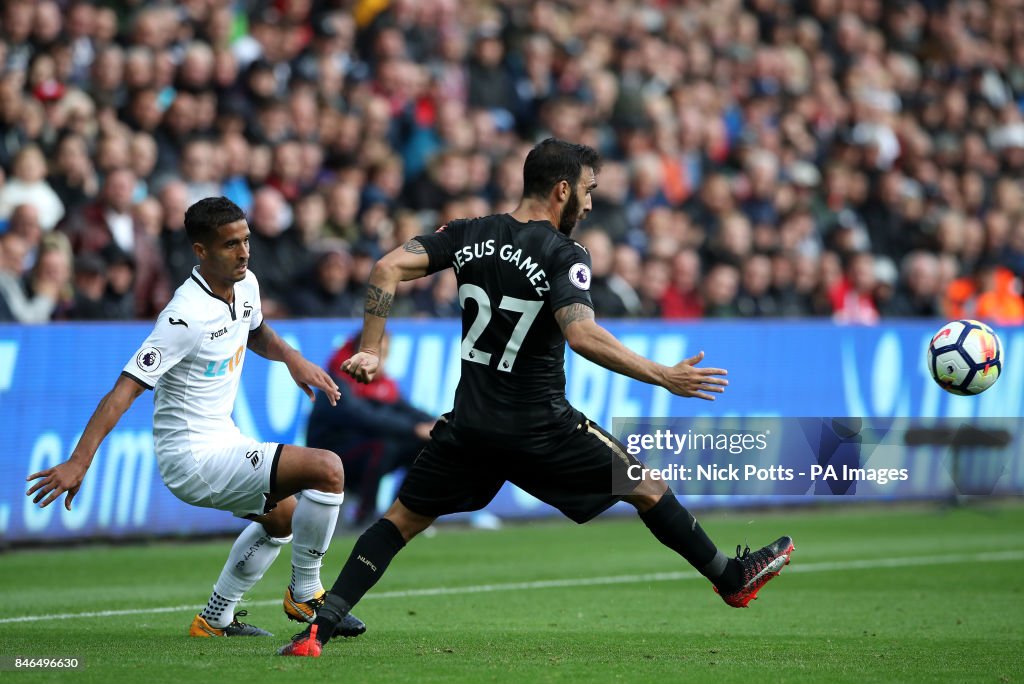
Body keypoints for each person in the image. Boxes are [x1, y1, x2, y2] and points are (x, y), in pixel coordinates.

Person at [280, 139, 794, 657]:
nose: (590, 205)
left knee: (400, 522)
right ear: (562, 189)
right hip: (541, 427)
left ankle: (318, 629)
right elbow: (582, 335)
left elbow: (386, 268)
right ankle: (730, 578)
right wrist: (663, 375)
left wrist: (370, 348)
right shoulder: (563, 254)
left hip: (472, 427)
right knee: (645, 486)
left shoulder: (467, 233)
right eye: (588, 191)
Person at [27, 197, 366, 639]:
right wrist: (79, 460)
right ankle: (306, 592)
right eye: (230, 245)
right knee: (327, 469)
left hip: (225, 439)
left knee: (283, 517)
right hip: (192, 459)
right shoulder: (183, 316)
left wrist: (291, 358)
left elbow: (256, 328)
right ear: (201, 251)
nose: (243, 252)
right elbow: (124, 389)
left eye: (246, 240)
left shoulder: (246, 285)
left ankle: (215, 619)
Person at [306, 330, 435, 526]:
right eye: (379, 353)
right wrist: (414, 428)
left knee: (423, 444)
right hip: (331, 454)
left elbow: (406, 409)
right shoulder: (337, 380)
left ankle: (402, 513)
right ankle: (365, 516)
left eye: (386, 353)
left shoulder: (382, 384)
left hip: (362, 450)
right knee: (382, 446)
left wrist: (438, 424)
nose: (383, 360)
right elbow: (363, 417)